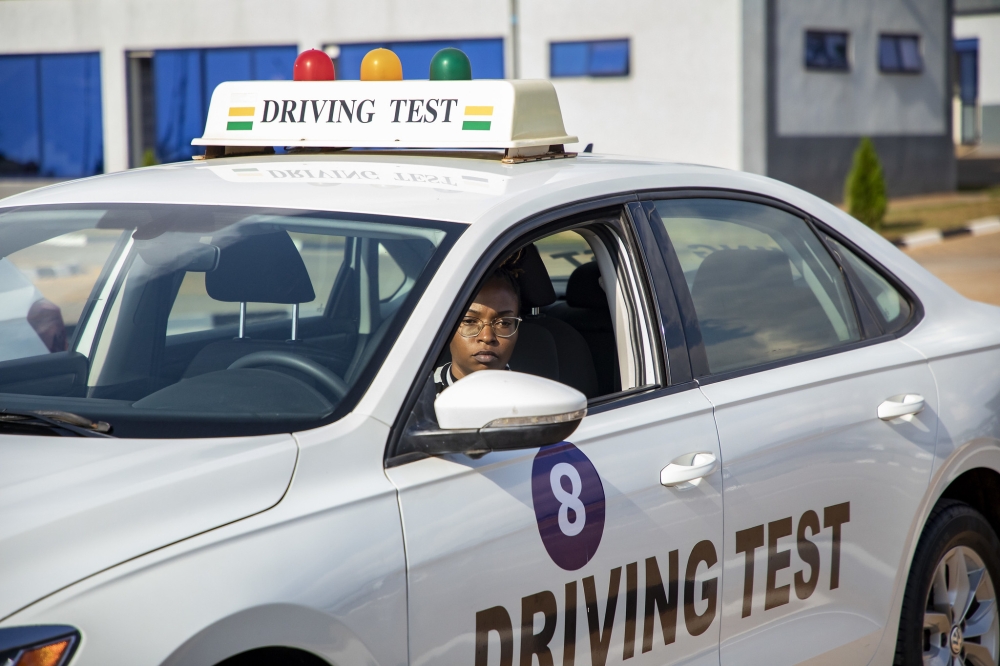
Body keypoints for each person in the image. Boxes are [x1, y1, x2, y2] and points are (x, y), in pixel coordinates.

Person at [433, 264, 522, 392]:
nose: (487, 337)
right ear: (447, 326)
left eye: (503, 323)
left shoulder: (533, 400)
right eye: (469, 321)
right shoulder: (416, 397)